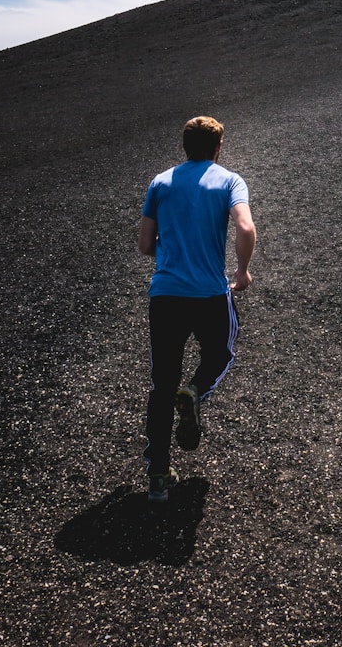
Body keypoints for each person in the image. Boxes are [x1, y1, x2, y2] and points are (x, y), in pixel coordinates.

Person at [137, 115, 256, 502]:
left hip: (166, 294)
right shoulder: (229, 180)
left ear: (184, 146)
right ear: (218, 147)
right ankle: (195, 391)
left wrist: (172, 252)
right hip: (208, 292)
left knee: (161, 383)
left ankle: (157, 474)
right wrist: (241, 270)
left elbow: (144, 244)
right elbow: (246, 227)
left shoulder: (161, 181)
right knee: (221, 352)